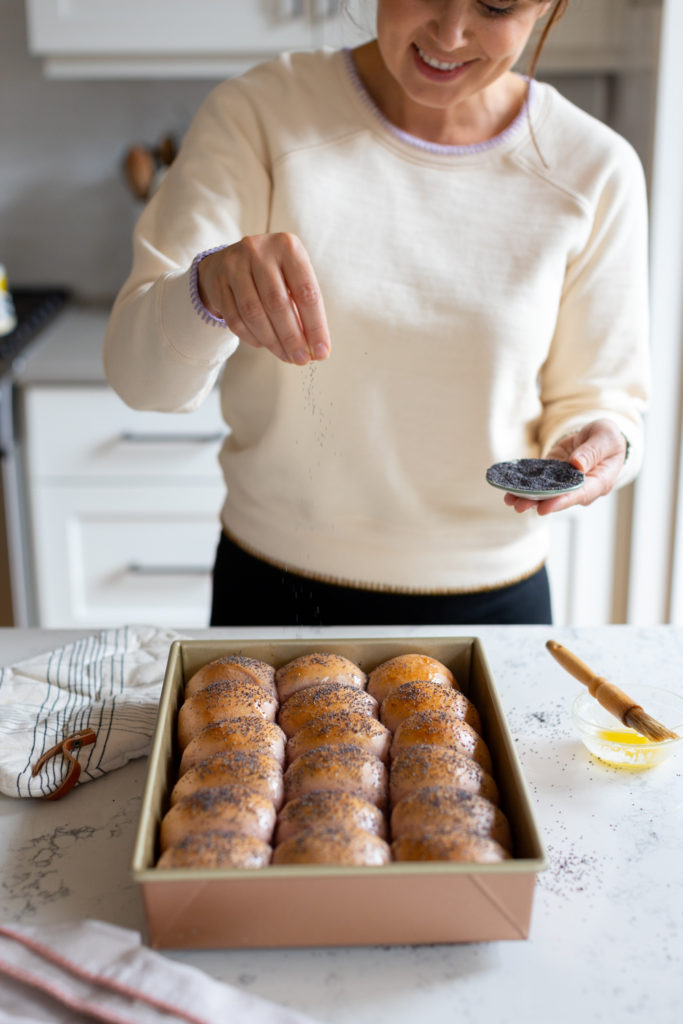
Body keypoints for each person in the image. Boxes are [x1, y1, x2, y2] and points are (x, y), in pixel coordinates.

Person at [103, 0, 649, 627]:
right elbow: (140, 380)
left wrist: (606, 441)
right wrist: (207, 290)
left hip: (493, 599)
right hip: (275, 592)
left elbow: (603, 399)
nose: (450, 33)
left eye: (495, 4)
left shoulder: (595, 168)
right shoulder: (258, 114)